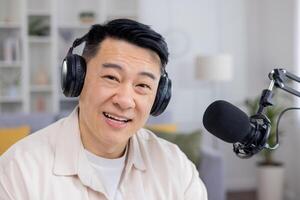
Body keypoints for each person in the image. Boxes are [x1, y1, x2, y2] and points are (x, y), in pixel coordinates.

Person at [0, 19, 207, 200]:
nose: (125, 101)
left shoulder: (175, 167)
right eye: (111, 78)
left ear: (159, 97)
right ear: (77, 79)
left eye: (142, 85)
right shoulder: (18, 170)